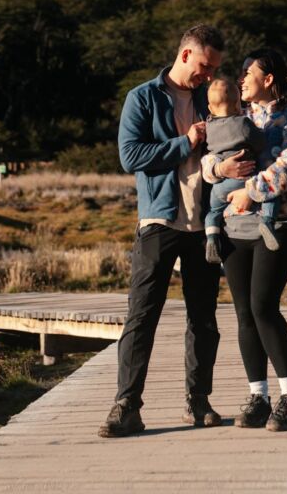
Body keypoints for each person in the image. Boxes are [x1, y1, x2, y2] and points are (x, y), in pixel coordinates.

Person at [98, 22, 229, 438]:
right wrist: (186, 142)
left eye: (214, 70)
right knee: (142, 317)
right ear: (186, 54)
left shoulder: (213, 101)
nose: (209, 76)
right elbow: (130, 155)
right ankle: (126, 406)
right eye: (205, 66)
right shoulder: (143, 97)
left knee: (203, 319)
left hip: (206, 224)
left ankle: (199, 401)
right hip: (159, 221)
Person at [202, 48, 287, 433]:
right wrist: (219, 170)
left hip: (277, 226)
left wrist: (250, 191)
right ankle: (258, 396)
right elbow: (209, 159)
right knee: (244, 314)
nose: (241, 80)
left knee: (263, 306)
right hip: (236, 230)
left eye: (247, 73)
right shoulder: (237, 117)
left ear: (268, 78)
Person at [203, 77, 280, 264]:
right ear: (238, 105)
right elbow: (260, 142)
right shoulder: (243, 123)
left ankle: (212, 238)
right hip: (246, 177)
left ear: (210, 108)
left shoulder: (208, 126)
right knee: (270, 194)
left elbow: (207, 155)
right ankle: (267, 221)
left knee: (213, 211)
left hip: (220, 186)